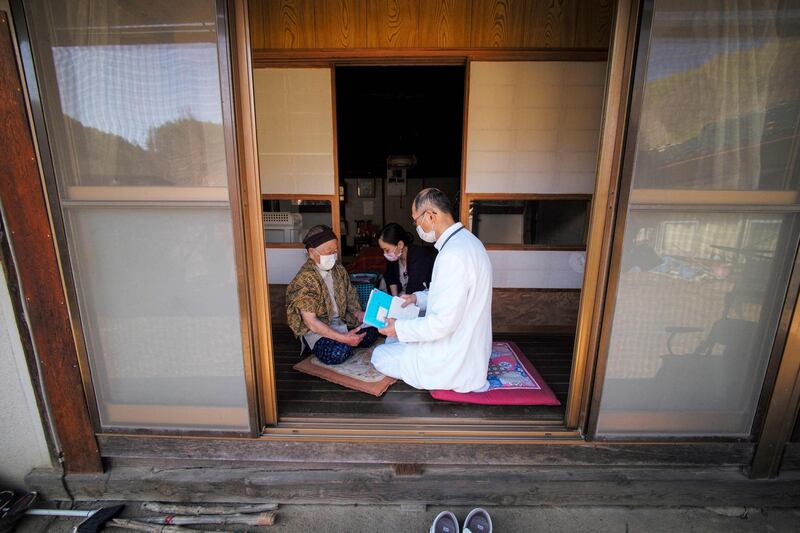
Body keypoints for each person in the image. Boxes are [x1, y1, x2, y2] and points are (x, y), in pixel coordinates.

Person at [370, 188, 493, 393]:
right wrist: (416, 298)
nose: (417, 227)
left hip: (453, 360)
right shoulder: (470, 242)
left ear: (430, 215)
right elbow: (450, 296)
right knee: (394, 341)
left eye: (416, 221)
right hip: (470, 350)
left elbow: (442, 323)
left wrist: (399, 328)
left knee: (380, 355)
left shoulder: (452, 255)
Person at [285, 225, 377, 365]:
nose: (333, 256)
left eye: (335, 251)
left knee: (372, 332)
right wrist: (343, 338)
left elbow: (350, 294)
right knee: (338, 352)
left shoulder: (338, 269)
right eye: (329, 252)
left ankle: (348, 342)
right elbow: (311, 322)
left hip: (342, 322)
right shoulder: (305, 279)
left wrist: (359, 313)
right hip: (318, 330)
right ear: (312, 253)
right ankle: (335, 344)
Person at [377, 222, 436, 296]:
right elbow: (391, 277)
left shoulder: (419, 256)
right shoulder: (394, 258)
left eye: (387, 250)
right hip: (403, 298)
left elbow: (415, 287)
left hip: (420, 298)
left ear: (400, 245)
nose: (385, 253)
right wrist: (395, 299)